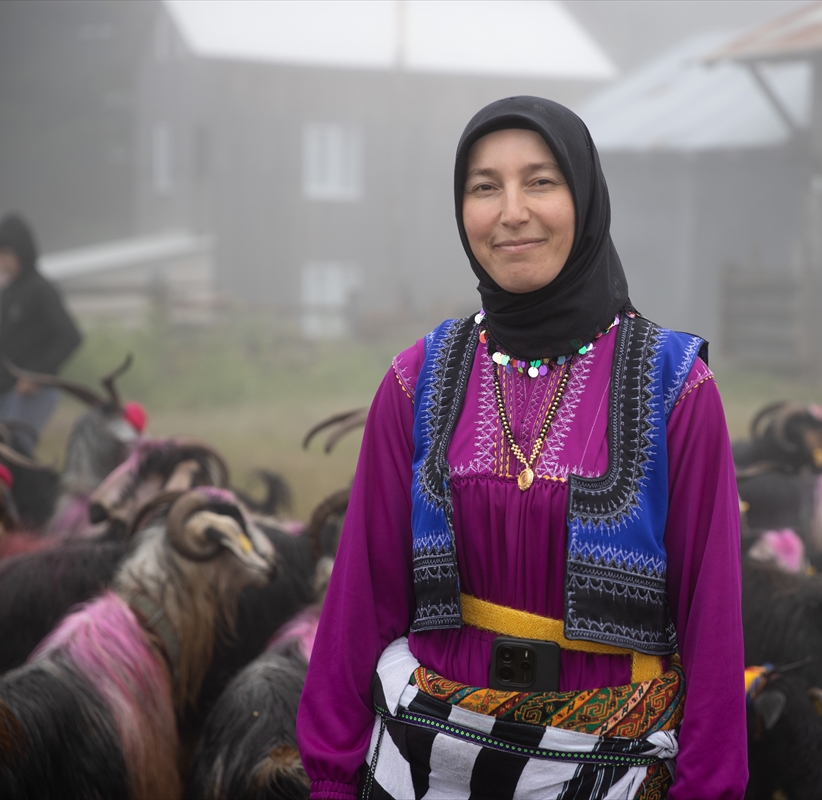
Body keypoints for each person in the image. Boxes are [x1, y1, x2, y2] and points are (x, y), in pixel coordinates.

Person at [297, 97, 747, 798]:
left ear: (585, 197)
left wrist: (707, 788)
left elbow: (712, 620)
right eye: (485, 186)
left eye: (540, 181)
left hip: (614, 768)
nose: (511, 211)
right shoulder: (416, 381)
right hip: (430, 764)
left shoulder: (675, 388)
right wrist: (329, 775)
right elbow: (362, 600)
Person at [0, 214, 81, 454]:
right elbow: (1, 347)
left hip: (33, 391)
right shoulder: (6, 294)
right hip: (2, 390)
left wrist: (37, 374)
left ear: (22, 252)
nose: (0, 262)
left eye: (5, 255)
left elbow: (70, 337)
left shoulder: (42, 290)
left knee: (15, 451)